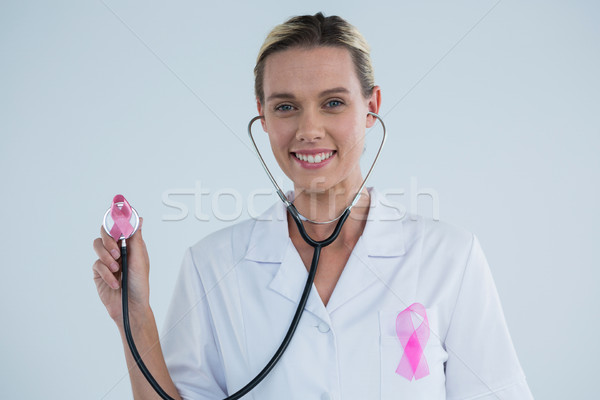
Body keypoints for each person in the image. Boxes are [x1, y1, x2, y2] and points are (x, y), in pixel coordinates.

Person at [92, 12, 534, 399]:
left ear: (371, 107)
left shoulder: (449, 259)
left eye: (333, 103)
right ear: (262, 116)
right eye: (286, 106)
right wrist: (135, 316)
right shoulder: (212, 265)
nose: (309, 129)